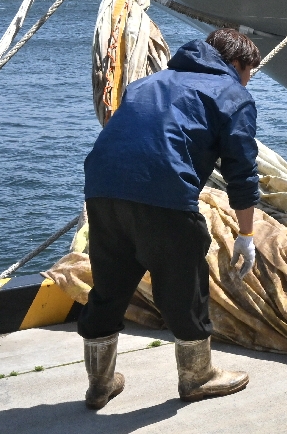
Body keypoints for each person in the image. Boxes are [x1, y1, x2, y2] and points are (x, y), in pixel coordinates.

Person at [78, 28, 263, 409]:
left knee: (109, 288)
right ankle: (197, 377)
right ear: (236, 63)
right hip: (163, 196)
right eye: (249, 72)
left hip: (102, 190)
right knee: (184, 289)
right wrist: (246, 234)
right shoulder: (232, 94)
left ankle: (99, 384)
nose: (248, 81)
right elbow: (241, 172)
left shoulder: (147, 84)